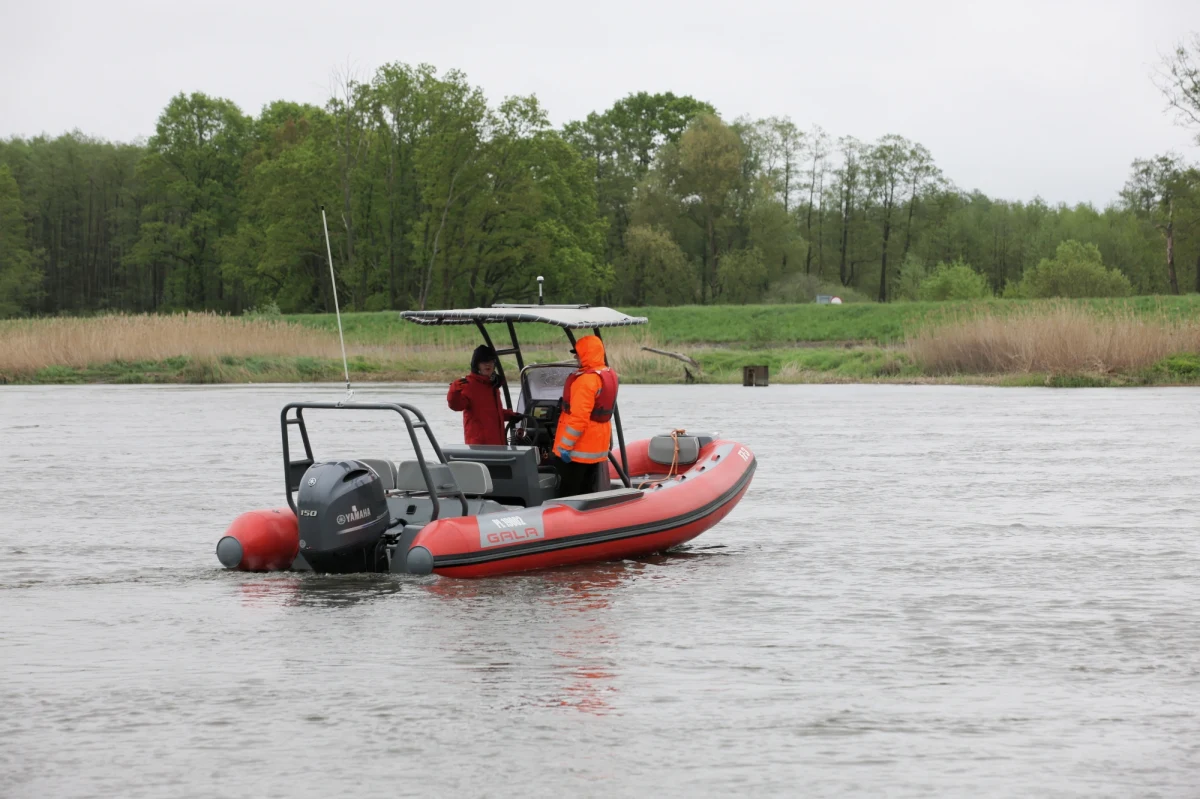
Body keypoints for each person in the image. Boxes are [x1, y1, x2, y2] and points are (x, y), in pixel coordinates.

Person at [549, 334, 619, 497]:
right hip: (596, 448)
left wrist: (565, 446)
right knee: (588, 492)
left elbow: (579, 418)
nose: (576, 357)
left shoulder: (585, 381)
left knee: (569, 493)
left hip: (577, 451)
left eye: (578, 354)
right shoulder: (608, 374)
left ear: (586, 354)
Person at [447, 345, 521, 446]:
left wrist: (510, 415)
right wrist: (454, 391)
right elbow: (456, 406)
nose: (488, 365)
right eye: (483, 362)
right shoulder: (468, 385)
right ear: (476, 365)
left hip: (498, 444)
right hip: (479, 447)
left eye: (491, 361)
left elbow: (491, 413)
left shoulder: (493, 385)